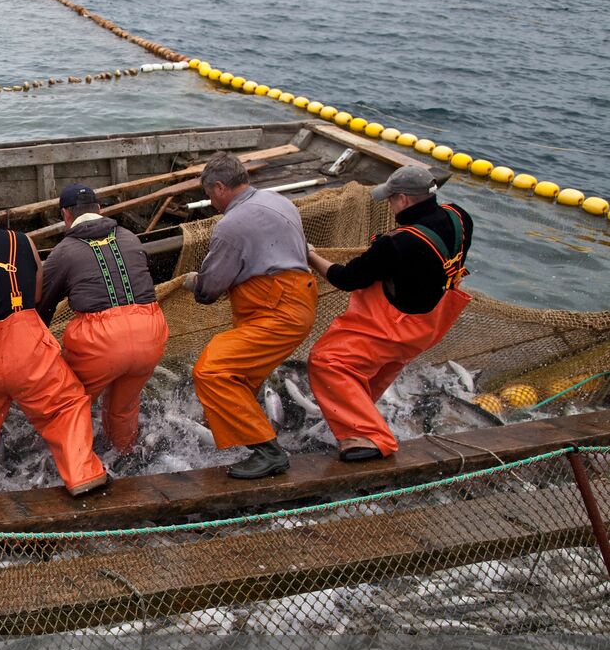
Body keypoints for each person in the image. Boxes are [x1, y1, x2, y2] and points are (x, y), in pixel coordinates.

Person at [0, 191, 107, 495]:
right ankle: (82, 476)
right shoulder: (23, 242)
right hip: (28, 348)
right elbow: (37, 294)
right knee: (65, 405)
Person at [306, 165, 473, 461]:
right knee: (372, 369)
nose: (390, 204)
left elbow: (346, 279)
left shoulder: (397, 243)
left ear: (405, 200)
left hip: (397, 326)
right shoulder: (459, 217)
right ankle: (355, 417)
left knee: (327, 361)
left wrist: (311, 255)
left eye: (392, 199)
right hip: (434, 320)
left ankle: (374, 438)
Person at [183, 153, 316, 479]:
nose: (211, 202)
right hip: (299, 301)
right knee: (240, 376)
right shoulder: (279, 200)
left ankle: (268, 451)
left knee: (212, 371)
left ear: (218, 187)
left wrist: (194, 284)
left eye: (209, 195)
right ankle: (225, 426)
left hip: (277, 312)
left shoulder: (231, 225)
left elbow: (211, 288)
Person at [38, 184, 169, 455]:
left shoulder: (64, 251)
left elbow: (43, 305)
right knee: (123, 407)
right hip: (152, 331)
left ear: (65, 215)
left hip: (101, 340)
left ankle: (74, 466)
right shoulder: (130, 237)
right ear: (99, 209)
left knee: (69, 402)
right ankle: (123, 455)